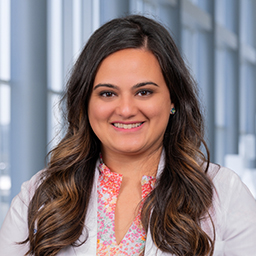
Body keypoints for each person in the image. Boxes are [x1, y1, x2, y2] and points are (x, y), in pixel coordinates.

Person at [0, 14, 256, 256]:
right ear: (85, 103)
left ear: (173, 99)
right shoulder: (39, 195)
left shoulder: (225, 193)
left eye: (144, 92)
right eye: (107, 93)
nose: (125, 110)